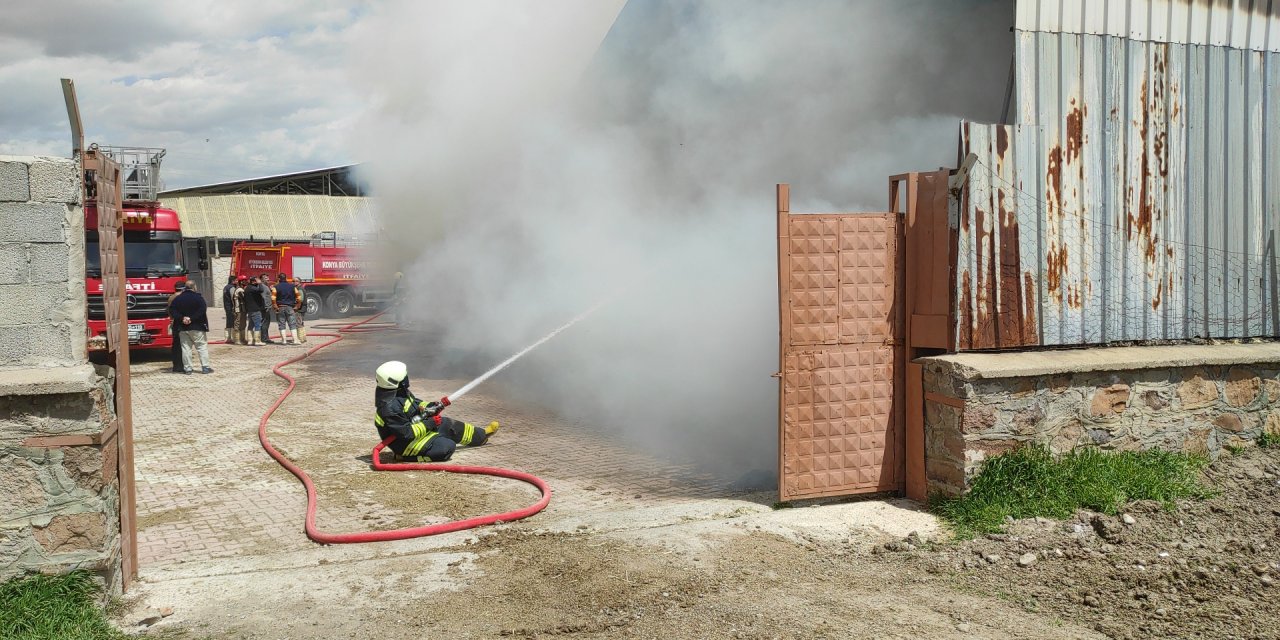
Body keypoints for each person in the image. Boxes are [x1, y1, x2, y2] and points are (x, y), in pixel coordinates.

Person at [373, 361, 498, 462]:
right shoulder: (389, 408)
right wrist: (430, 423)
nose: (407, 378)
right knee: (447, 448)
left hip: (416, 431)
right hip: (405, 444)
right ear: (396, 381)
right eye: (404, 376)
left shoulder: (398, 392)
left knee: (449, 424)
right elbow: (406, 433)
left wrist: (433, 406)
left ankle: (481, 436)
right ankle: (405, 457)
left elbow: (416, 404)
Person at [170, 280, 213, 374]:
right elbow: (202, 310)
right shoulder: (199, 298)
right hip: (197, 327)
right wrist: (191, 318)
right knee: (201, 347)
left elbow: (173, 311)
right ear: (194, 287)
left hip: (183, 327)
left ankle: (188, 368)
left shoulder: (178, 299)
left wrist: (182, 318)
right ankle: (205, 367)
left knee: (186, 348)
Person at [273, 272, 302, 344]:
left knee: (281, 324)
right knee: (292, 323)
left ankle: (284, 340)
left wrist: (275, 306)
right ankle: (295, 340)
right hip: (290, 307)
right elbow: (299, 297)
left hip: (280, 307)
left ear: (279, 278)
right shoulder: (292, 286)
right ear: (285, 278)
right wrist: (297, 306)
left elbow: (273, 298)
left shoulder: (276, 287)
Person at [165, 282, 186, 373]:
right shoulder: (181, 297)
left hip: (173, 322)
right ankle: (181, 365)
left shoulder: (171, 297)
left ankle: (176, 366)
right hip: (181, 323)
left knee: (175, 345)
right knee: (182, 345)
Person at [242, 275, 268, 346]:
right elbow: (261, 290)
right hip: (255, 309)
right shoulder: (252, 288)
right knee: (257, 325)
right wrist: (260, 283)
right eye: (257, 280)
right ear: (253, 281)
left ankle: (250, 341)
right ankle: (257, 340)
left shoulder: (248, 288)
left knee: (251, 325)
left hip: (250, 309)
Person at [260, 272, 276, 344]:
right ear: (261, 279)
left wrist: (270, 289)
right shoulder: (263, 287)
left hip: (267, 307)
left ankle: (265, 337)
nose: (268, 279)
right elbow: (263, 298)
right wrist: (265, 307)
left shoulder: (266, 286)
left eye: (268, 278)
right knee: (265, 324)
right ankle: (264, 338)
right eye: (266, 278)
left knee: (266, 323)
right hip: (265, 308)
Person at [221, 275, 237, 344]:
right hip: (231, 307)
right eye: (236, 280)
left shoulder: (225, 287)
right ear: (233, 281)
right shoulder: (232, 288)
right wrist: (235, 307)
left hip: (227, 307)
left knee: (228, 322)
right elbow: (233, 298)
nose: (237, 281)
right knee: (233, 322)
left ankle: (228, 337)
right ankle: (232, 338)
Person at [233, 275, 249, 344]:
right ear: (241, 282)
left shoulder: (242, 289)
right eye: (244, 281)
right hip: (238, 310)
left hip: (243, 310)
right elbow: (244, 298)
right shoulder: (239, 290)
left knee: (243, 324)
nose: (246, 282)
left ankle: (242, 339)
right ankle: (237, 340)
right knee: (238, 324)